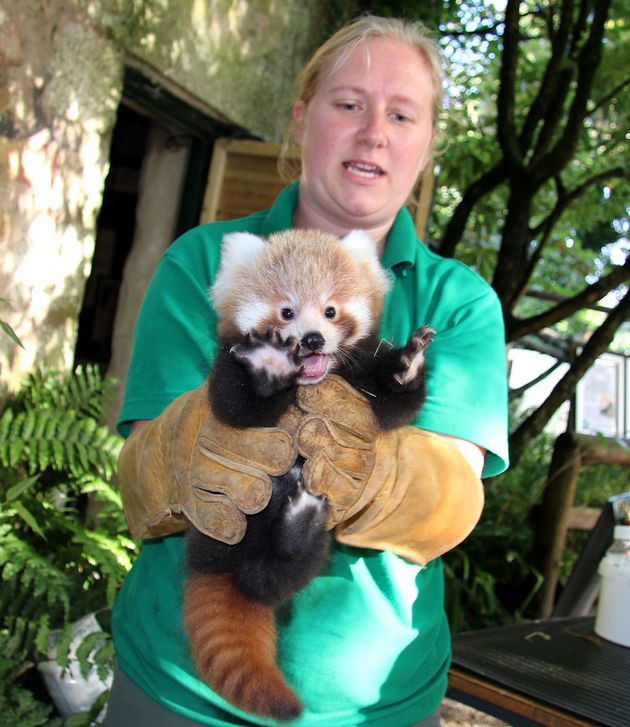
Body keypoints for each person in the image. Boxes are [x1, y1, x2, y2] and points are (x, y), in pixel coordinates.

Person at [105, 14, 509, 727]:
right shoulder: (206, 263)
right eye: (349, 103)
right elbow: (142, 477)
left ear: (425, 142)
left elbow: (446, 499)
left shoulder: (458, 301)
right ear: (301, 119)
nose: (374, 130)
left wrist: (365, 466)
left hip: (375, 703)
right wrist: (197, 438)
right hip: (177, 687)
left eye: (402, 113)